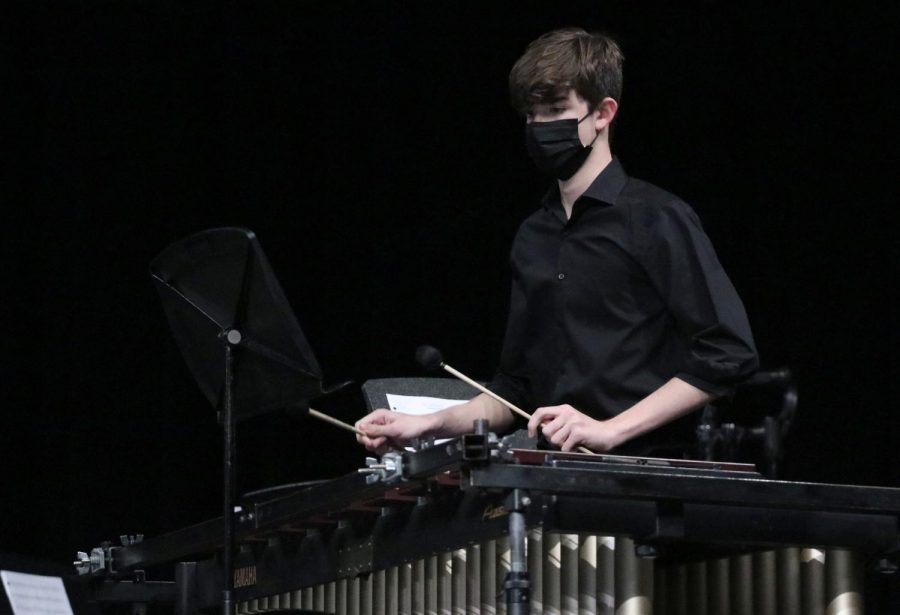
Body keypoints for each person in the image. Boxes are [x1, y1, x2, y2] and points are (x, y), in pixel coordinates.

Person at [357, 28, 758, 456]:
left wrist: (611, 430)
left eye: (556, 110)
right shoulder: (533, 235)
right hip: (553, 474)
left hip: (644, 475)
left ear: (603, 114)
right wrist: (430, 423)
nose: (540, 127)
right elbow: (516, 388)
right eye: (532, 115)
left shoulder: (656, 218)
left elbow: (727, 352)